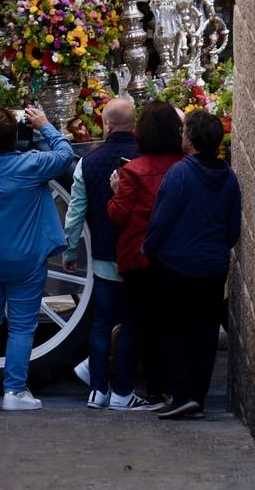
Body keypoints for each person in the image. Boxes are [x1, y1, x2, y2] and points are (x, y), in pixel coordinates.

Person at [0, 105, 74, 411]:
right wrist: (44, 124)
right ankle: (14, 391)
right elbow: (65, 154)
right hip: (24, 257)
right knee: (22, 327)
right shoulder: (32, 164)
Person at [144, 109, 241, 420]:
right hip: (213, 266)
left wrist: (150, 248)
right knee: (204, 331)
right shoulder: (228, 177)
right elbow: (232, 228)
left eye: (184, 131)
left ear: (191, 139)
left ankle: (183, 393)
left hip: (176, 263)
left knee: (165, 326)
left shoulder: (180, 173)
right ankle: (196, 396)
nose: (180, 135)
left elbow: (162, 219)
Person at [61, 98, 154, 411]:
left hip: (103, 255)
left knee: (101, 323)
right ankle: (122, 391)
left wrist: (71, 249)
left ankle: (98, 390)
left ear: (106, 125)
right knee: (131, 323)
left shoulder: (88, 162)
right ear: (134, 124)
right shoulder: (146, 160)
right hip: (139, 257)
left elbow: (76, 212)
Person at [106, 99, 186, 410]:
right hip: (172, 257)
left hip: (136, 257)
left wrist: (115, 194)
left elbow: (118, 215)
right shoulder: (183, 167)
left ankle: (123, 389)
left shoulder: (134, 170)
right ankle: (162, 388)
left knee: (136, 323)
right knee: (167, 324)